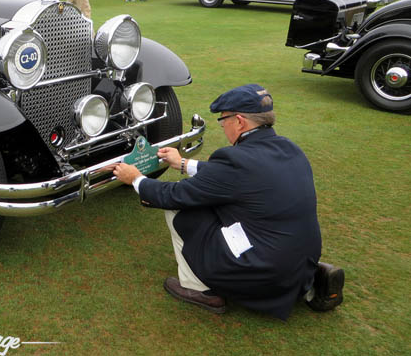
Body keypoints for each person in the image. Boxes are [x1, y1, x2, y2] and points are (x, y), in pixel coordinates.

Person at [111, 84, 345, 319]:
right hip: (300, 254)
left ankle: (201, 289)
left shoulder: (236, 160)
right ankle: (303, 279)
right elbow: (229, 176)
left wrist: (136, 179)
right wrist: (182, 163)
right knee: (228, 212)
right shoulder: (289, 148)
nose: (223, 127)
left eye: (223, 121)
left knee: (181, 209)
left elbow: (173, 194)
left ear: (240, 121)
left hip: (264, 268)